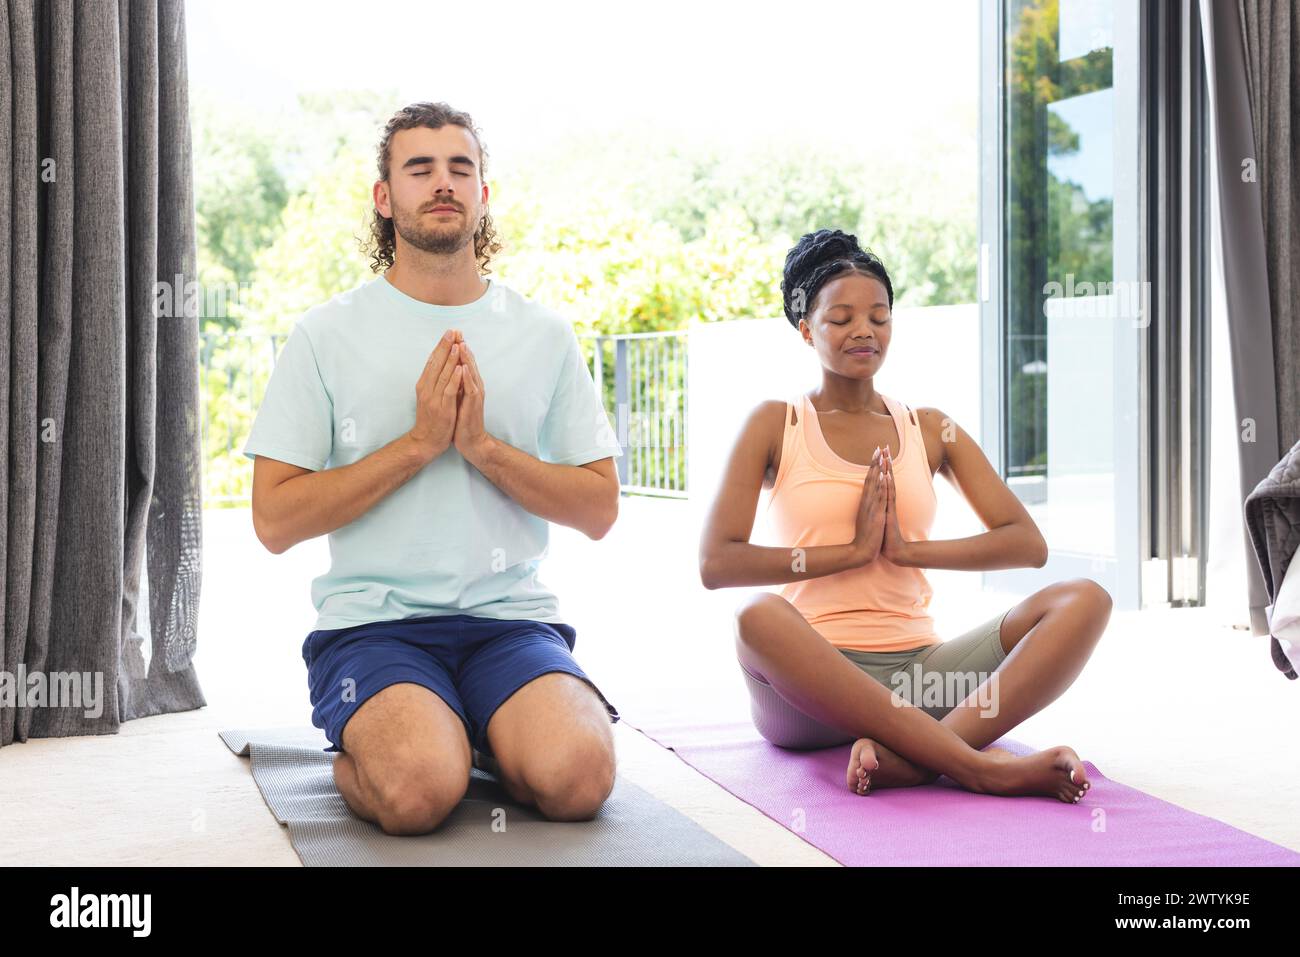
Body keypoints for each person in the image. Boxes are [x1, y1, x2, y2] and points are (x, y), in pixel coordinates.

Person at [243, 102, 624, 835]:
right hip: (374, 628)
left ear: (484, 195)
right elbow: (273, 520)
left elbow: (600, 508)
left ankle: (481, 726)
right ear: (385, 199)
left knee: (580, 778)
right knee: (419, 790)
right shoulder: (325, 334)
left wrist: (482, 448)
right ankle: (409, 738)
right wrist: (418, 444)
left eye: (461, 168)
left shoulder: (544, 334)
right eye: (420, 168)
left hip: (509, 625)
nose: (443, 183)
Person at [697, 228, 1112, 803]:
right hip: (810, 691)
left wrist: (910, 551)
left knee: (1084, 598)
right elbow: (717, 563)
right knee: (755, 615)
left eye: (879, 315)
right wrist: (849, 553)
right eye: (840, 318)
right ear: (805, 329)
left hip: (922, 675)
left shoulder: (929, 426)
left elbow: (1026, 544)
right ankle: (980, 769)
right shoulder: (775, 423)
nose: (864, 330)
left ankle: (914, 761)